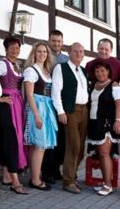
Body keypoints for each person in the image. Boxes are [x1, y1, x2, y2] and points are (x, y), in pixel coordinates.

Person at [0, 36, 28, 194]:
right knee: (11, 140)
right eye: (12, 47)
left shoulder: (15, 65)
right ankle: (15, 181)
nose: (15, 49)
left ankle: (6, 176)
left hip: (16, 104)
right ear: (6, 49)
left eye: (17, 47)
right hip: (7, 106)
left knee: (9, 139)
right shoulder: (3, 64)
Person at [51, 42, 88, 194]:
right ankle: (68, 181)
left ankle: (72, 175)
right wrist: (60, 111)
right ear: (69, 52)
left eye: (81, 51)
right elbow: (55, 91)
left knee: (81, 149)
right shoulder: (61, 68)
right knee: (73, 145)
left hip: (84, 110)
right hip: (70, 110)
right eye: (75, 51)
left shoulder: (83, 71)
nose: (79, 54)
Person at [23, 41, 58, 191]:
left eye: (45, 52)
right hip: (37, 108)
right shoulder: (31, 71)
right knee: (40, 145)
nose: (42, 54)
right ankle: (36, 180)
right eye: (39, 51)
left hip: (47, 107)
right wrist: (37, 115)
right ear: (34, 54)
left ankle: (34, 176)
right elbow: (29, 95)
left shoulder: (46, 71)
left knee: (37, 146)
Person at [86, 60, 120, 196]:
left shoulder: (114, 85)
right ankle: (105, 182)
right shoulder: (93, 85)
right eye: (97, 71)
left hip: (107, 124)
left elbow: (119, 104)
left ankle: (108, 184)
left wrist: (118, 121)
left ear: (108, 72)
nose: (100, 73)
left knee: (104, 154)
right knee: (100, 155)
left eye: (102, 70)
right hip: (95, 123)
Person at [42, 30, 68, 184]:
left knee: (61, 139)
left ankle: (56, 169)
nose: (56, 43)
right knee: (49, 138)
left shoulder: (65, 59)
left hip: (61, 103)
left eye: (59, 41)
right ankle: (46, 171)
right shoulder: (44, 56)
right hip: (46, 102)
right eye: (53, 41)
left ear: (62, 42)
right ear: (49, 40)